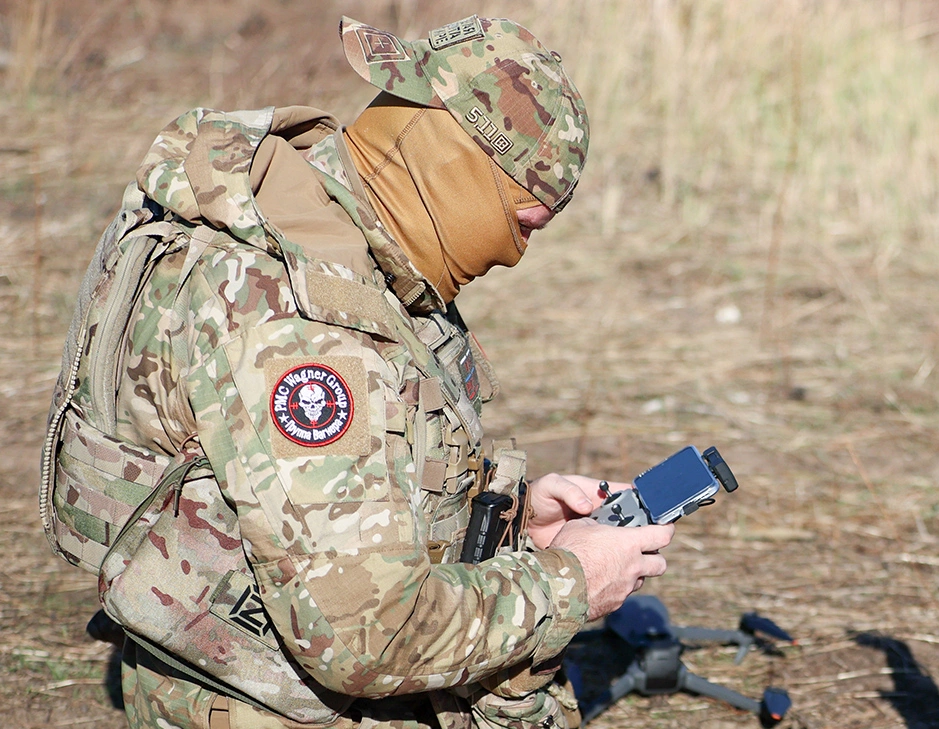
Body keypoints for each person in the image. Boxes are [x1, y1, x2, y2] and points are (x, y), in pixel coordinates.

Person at [42, 15, 674, 729]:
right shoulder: (306, 326)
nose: (513, 255)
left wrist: (512, 523)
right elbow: (367, 639)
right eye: (524, 224)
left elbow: (293, 493)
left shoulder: (293, 216)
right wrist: (570, 583)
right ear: (456, 167)